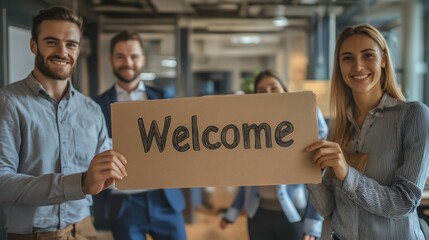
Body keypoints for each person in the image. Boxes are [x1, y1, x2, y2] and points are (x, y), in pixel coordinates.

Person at [0, 6, 128, 240]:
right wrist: (79, 182)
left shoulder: (91, 109)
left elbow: (107, 176)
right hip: (34, 235)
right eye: (51, 42)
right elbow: (2, 181)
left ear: (78, 50)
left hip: (85, 229)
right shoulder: (8, 103)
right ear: (33, 45)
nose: (62, 51)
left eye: (71, 44)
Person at [306, 24, 429, 240]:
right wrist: (306, 171)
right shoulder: (339, 126)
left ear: (383, 60)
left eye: (367, 55)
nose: (358, 66)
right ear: (340, 66)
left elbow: (404, 203)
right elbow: (327, 208)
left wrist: (347, 173)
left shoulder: (414, 115)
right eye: (347, 58)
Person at [94, 30, 186, 240]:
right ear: (111, 60)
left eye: (134, 56)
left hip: (165, 197)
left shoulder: (165, 98)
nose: (128, 62)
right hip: (123, 202)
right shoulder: (96, 105)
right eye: (120, 56)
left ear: (142, 59)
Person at [219, 69, 327, 240]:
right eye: (261, 91)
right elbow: (247, 179)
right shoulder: (251, 129)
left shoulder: (304, 118)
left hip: (294, 214)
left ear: (285, 90)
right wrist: (231, 213)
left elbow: (320, 178)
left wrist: (313, 224)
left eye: (273, 88)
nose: (268, 94)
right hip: (257, 214)